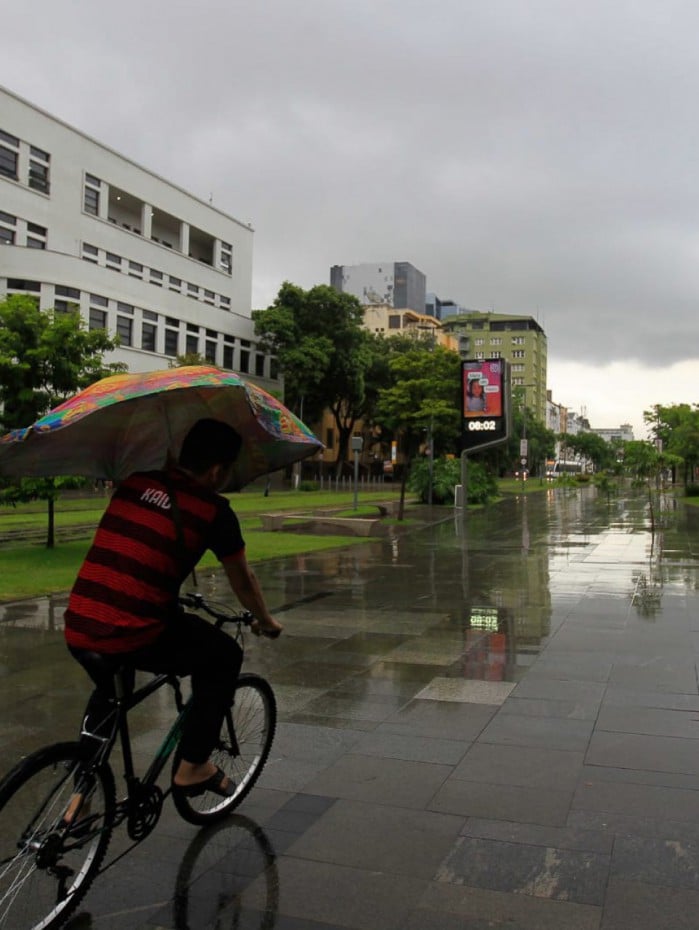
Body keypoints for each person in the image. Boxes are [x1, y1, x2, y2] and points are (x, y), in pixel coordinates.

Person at [64, 418, 282, 799]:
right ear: (216, 470)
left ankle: (79, 798)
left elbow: (135, 553)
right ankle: (193, 765)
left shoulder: (134, 484)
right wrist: (265, 621)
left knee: (111, 689)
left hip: (82, 620)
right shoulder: (213, 511)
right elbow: (244, 581)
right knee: (223, 655)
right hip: (134, 630)